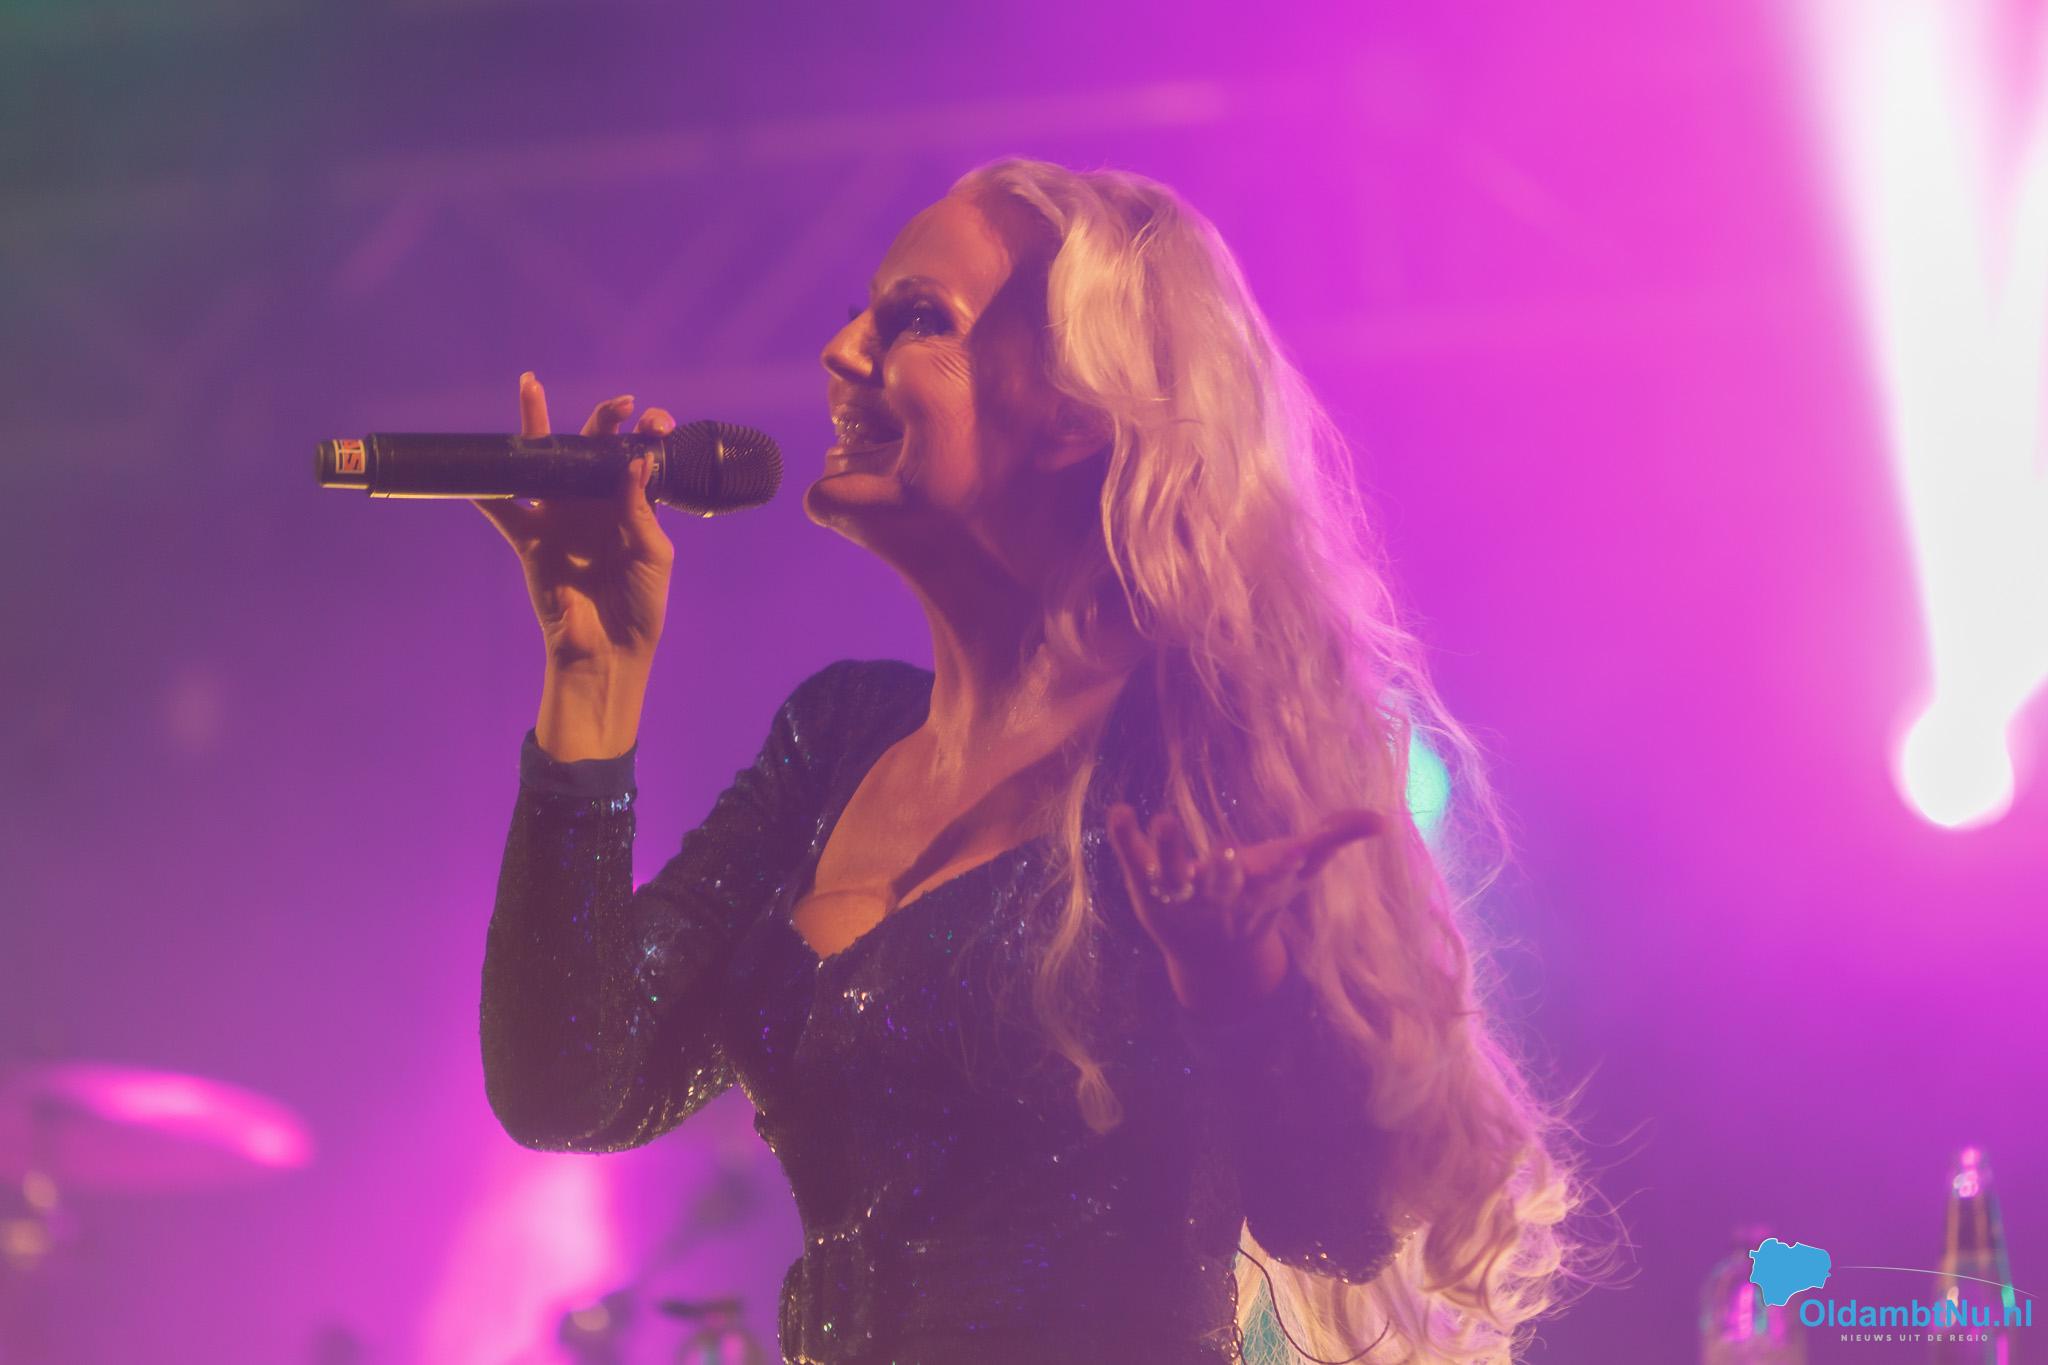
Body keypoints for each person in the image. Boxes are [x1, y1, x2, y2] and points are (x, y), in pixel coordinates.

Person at [472, 159, 1593, 1364]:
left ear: (1072, 412)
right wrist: (592, 678)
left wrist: (1237, 989)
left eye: (914, 320)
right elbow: (567, 1084)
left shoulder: (1195, 757)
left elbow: (1335, 1225)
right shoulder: (832, 741)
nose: (840, 352)